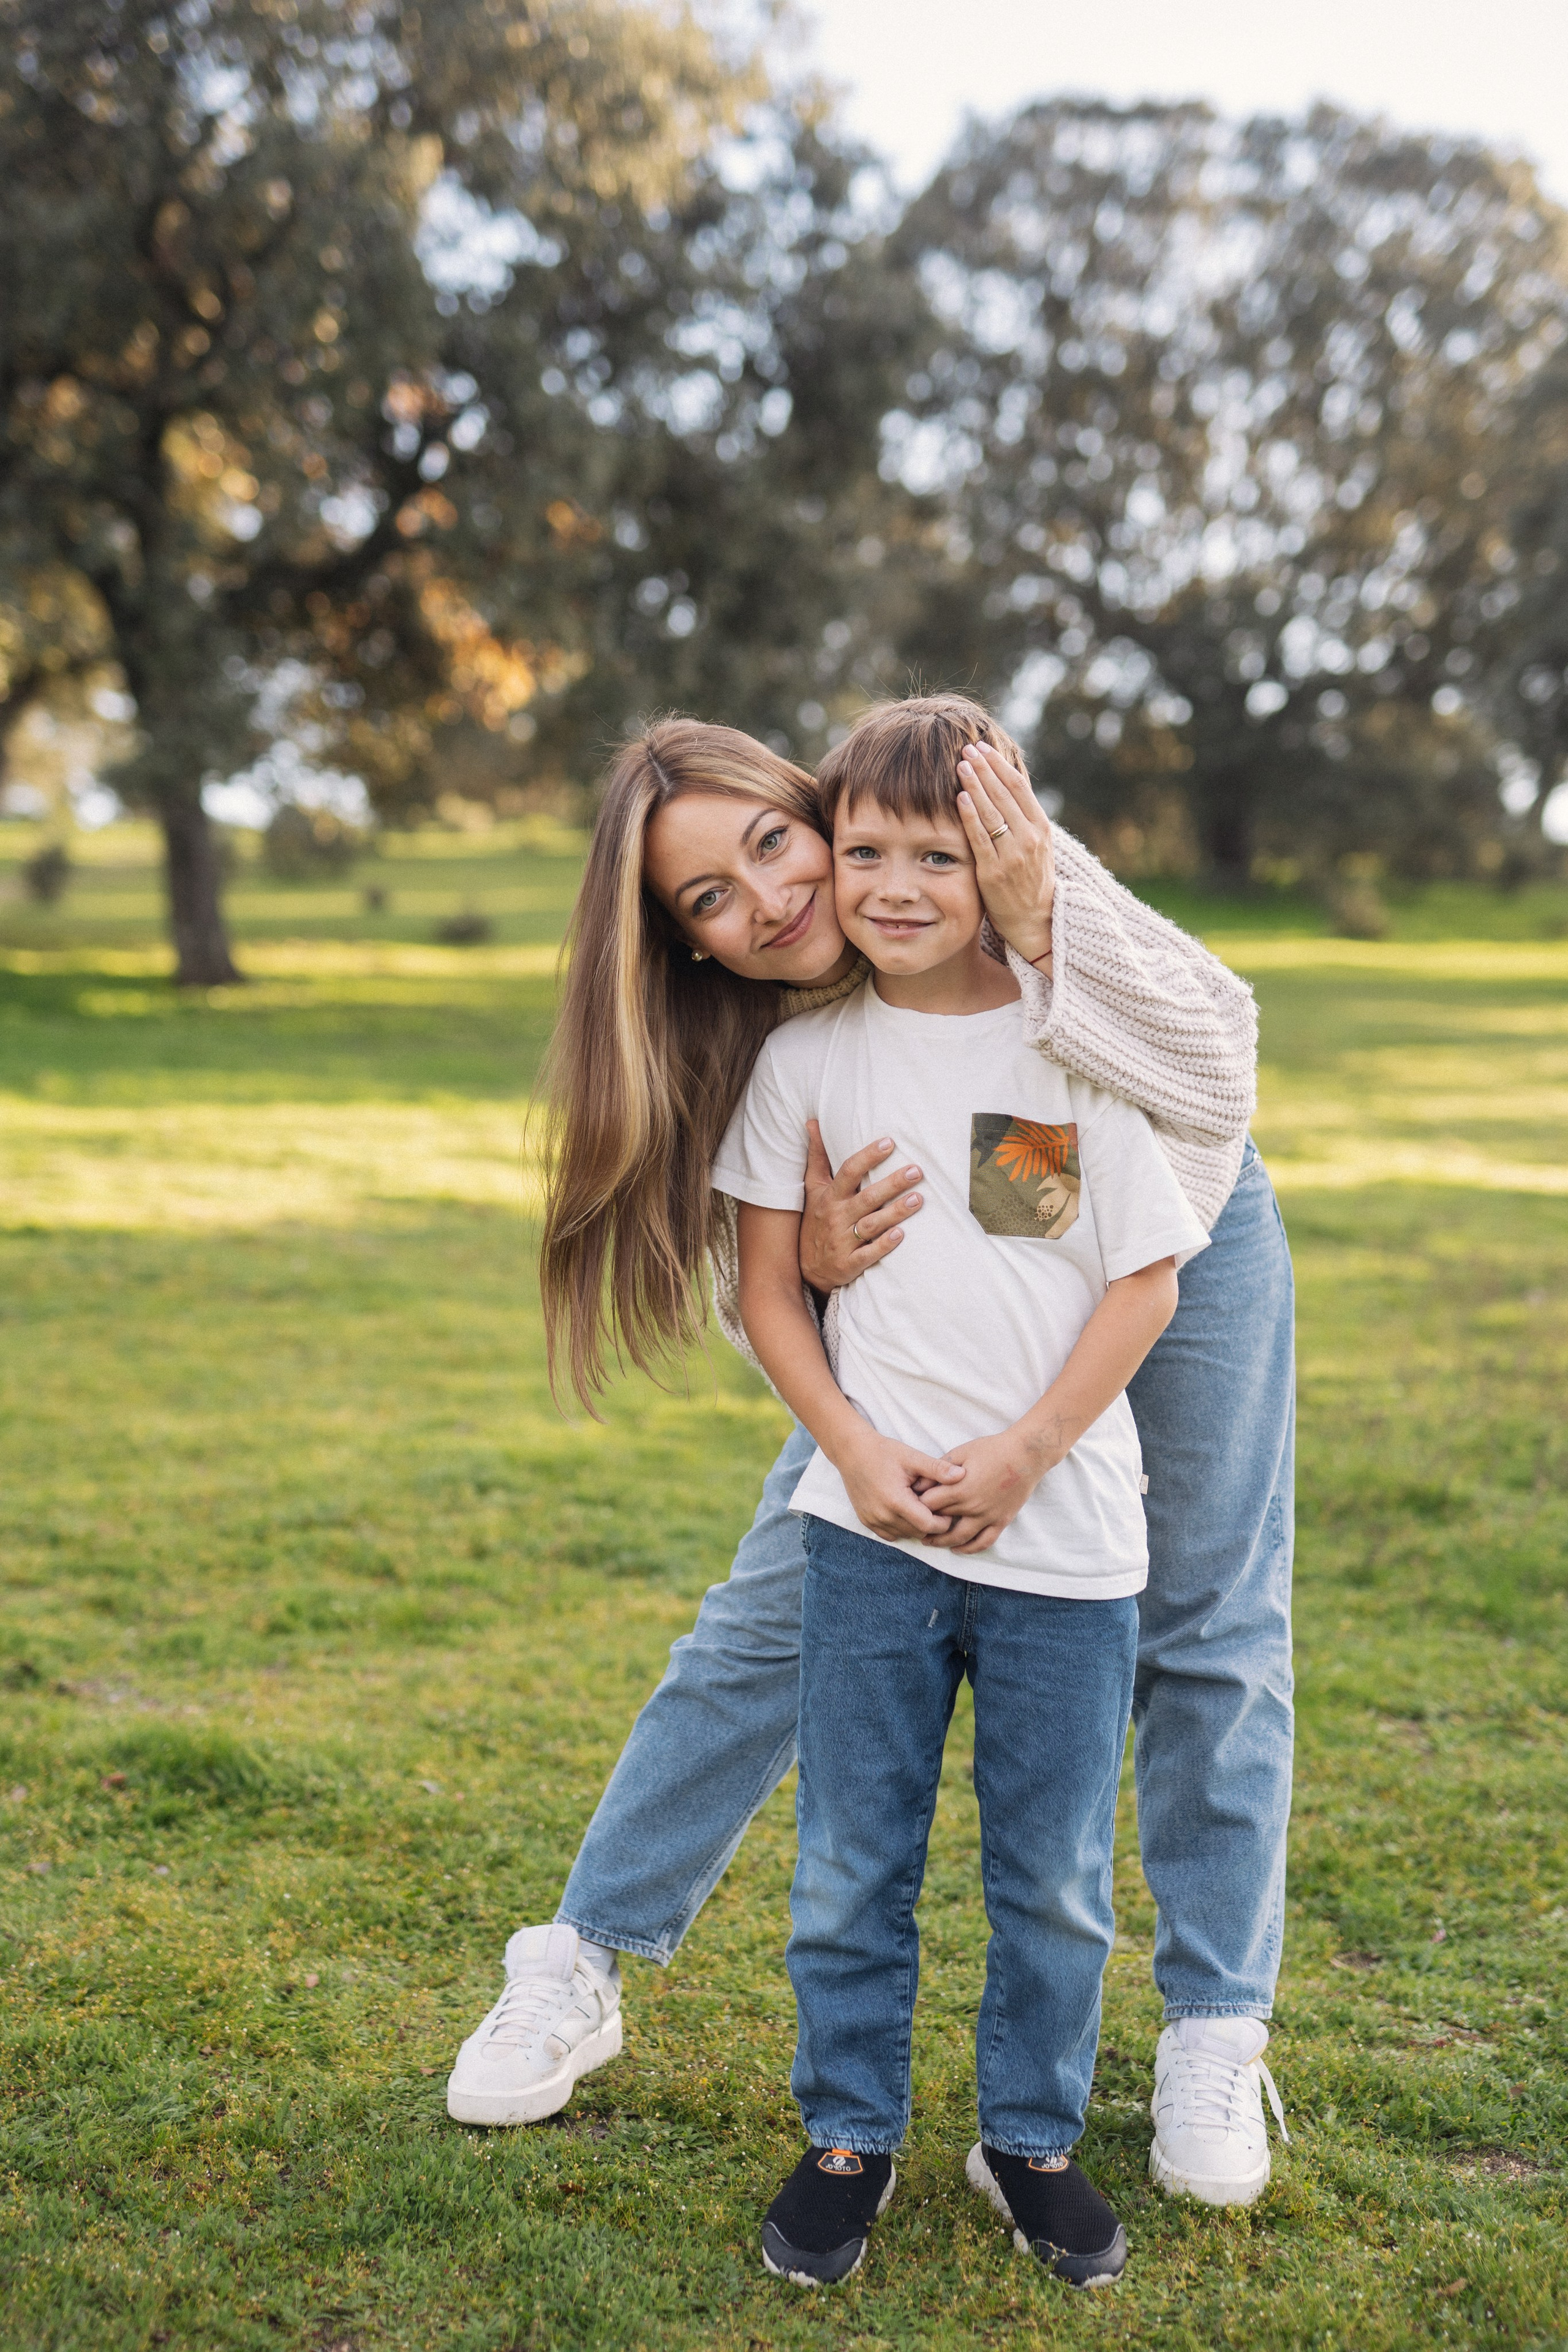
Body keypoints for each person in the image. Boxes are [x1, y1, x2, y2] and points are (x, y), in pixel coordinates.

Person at [445, 700, 1294, 2209]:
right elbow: (771, 1266)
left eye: (773, 844)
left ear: (813, 805)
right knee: (778, 1608)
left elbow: (1213, 1062)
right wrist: (832, 1287)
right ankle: (578, 1955)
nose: (772, 900)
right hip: (990, 1265)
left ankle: (1213, 2027)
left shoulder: (967, 839)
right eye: (709, 896)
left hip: (1180, 1222)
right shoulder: (759, 1017)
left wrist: (1043, 930)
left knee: (1207, 1617)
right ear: (682, 942)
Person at [720, 703, 1213, 2288]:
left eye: (940, 853)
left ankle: (1031, 2141)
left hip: (1062, 1545)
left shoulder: (1064, 1042)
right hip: (869, 1544)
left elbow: (1131, 1282)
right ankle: (849, 2133)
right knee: (853, 1861)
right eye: (866, 851)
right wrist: (857, 1458)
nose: (899, 884)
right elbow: (772, 1294)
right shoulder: (809, 1060)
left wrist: (1022, 1456)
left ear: (1006, 856)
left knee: (1053, 1876)